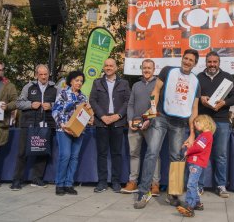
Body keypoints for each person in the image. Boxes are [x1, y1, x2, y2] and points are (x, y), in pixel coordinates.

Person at [134, 49, 201, 209]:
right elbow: (155, 91)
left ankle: (173, 194)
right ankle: (144, 192)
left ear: (195, 63)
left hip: (180, 123)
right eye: (185, 58)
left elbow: (194, 108)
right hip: (161, 117)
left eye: (191, 60)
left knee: (176, 158)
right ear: (182, 59)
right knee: (152, 152)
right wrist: (152, 110)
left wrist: (192, 134)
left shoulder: (196, 82)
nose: (187, 62)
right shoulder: (167, 71)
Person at [197, 51, 234, 198]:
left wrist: (224, 103)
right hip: (203, 122)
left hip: (221, 121)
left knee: (220, 155)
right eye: (210, 62)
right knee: (201, 154)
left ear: (219, 63)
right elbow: (193, 97)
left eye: (215, 62)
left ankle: (220, 185)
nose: (212, 65)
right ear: (206, 62)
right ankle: (198, 185)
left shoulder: (227, 77)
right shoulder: (199, 77)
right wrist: (200, 98)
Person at [10, 64, 57, 190]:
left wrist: (52, 105)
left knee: (43, 151)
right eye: (40, 74)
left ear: (49, 75)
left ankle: (37, 179)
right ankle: (17, 180)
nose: (43, 77)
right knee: (22, 152)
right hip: (29, 124)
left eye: (45, 74)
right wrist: (31, 104)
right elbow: (18, 103)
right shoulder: (28, 86)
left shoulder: (55, 88)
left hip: (47, 124)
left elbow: (60, 104)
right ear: (36, 75)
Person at [90, 58, 131, 193]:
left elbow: (127, 101)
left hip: (118, 122)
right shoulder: (97, 83)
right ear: (104, 67)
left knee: (116, 153)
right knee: (101, 153)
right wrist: (102, 116)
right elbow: (93, 100)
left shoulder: (124, 83)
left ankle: (116, 182)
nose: (108, 67)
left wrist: (117, 116)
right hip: (102, 122)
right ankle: (102, 182)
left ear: (116, 67)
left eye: (111, 65)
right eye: (106, 65)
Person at [122, 59, 161, 196]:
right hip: (135, 125)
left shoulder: (158, 84)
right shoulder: (136, 85)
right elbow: (130, 104)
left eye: (149, 68)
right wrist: (130, 120)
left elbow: (156, 106)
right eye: (144, 68)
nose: (146, 70)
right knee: (134, 153)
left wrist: (148, 120)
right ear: (141, 68)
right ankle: (133, 182)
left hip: (152, 125)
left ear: (154, 69)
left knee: (154, 154)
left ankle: (154, 184)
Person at [52, 71, 91, 196]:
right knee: (65, 156)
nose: (79, 83)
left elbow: (85, 114)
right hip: (63, 129)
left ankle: (69, 184)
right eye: (76, 80)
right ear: (71, 81)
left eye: (81, 81)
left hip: (78, 131)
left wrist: (89, 119)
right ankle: (60, 184)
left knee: (74, 157)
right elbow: (55, 111)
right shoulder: (63, 94)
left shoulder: (83, 97)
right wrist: (63, 125)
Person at [177, 115, 216, 218]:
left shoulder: (206, 135)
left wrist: (188, 151)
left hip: (196, 163)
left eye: (197, 123)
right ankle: (197, 203)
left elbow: (198, 147)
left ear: (204, 122)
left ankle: (189, 206)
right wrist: (190, 145)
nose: (195, 125)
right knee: (194, 184)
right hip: (195, 163)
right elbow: (197, 146)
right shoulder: (203, 135)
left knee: (191, 184)